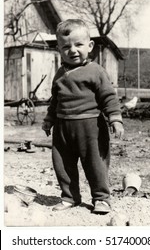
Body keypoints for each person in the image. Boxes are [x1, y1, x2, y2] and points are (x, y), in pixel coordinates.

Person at [42, 19, 124, 214]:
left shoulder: (96, 71)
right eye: (66, 46)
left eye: (78, 44)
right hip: (63, 128)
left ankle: (101, 198)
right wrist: (48, 120)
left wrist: (115, 118)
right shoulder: (60, 73)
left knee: (95, 163)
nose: (73, 50)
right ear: (59, 50)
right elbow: (55, 100)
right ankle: (70, 197)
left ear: (90, 46)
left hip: (90, 127)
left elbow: (108, 97)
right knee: (62, 164)